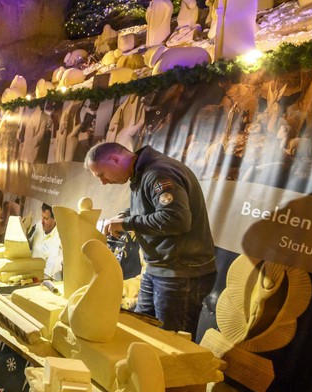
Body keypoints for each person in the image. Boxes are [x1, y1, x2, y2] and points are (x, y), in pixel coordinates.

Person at [84, 142, 216, 334]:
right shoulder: (141, 174)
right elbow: (152, 208)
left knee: (170, 341)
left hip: (180, 273)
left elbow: (176, 219)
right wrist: (124, 216)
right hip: (158, 268)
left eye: (101, 175)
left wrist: (127, 223)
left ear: (114, 159)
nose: (103, 182)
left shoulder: (158, 173)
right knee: (140, 330)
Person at [30, 203, 63, 280]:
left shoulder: (59, 238)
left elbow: (52, 271)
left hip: (41, 280)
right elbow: (27, 247)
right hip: (28, 273)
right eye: (42, 216)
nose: (42, 221)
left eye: (46, 218)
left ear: (55, 219)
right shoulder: (38, 225)